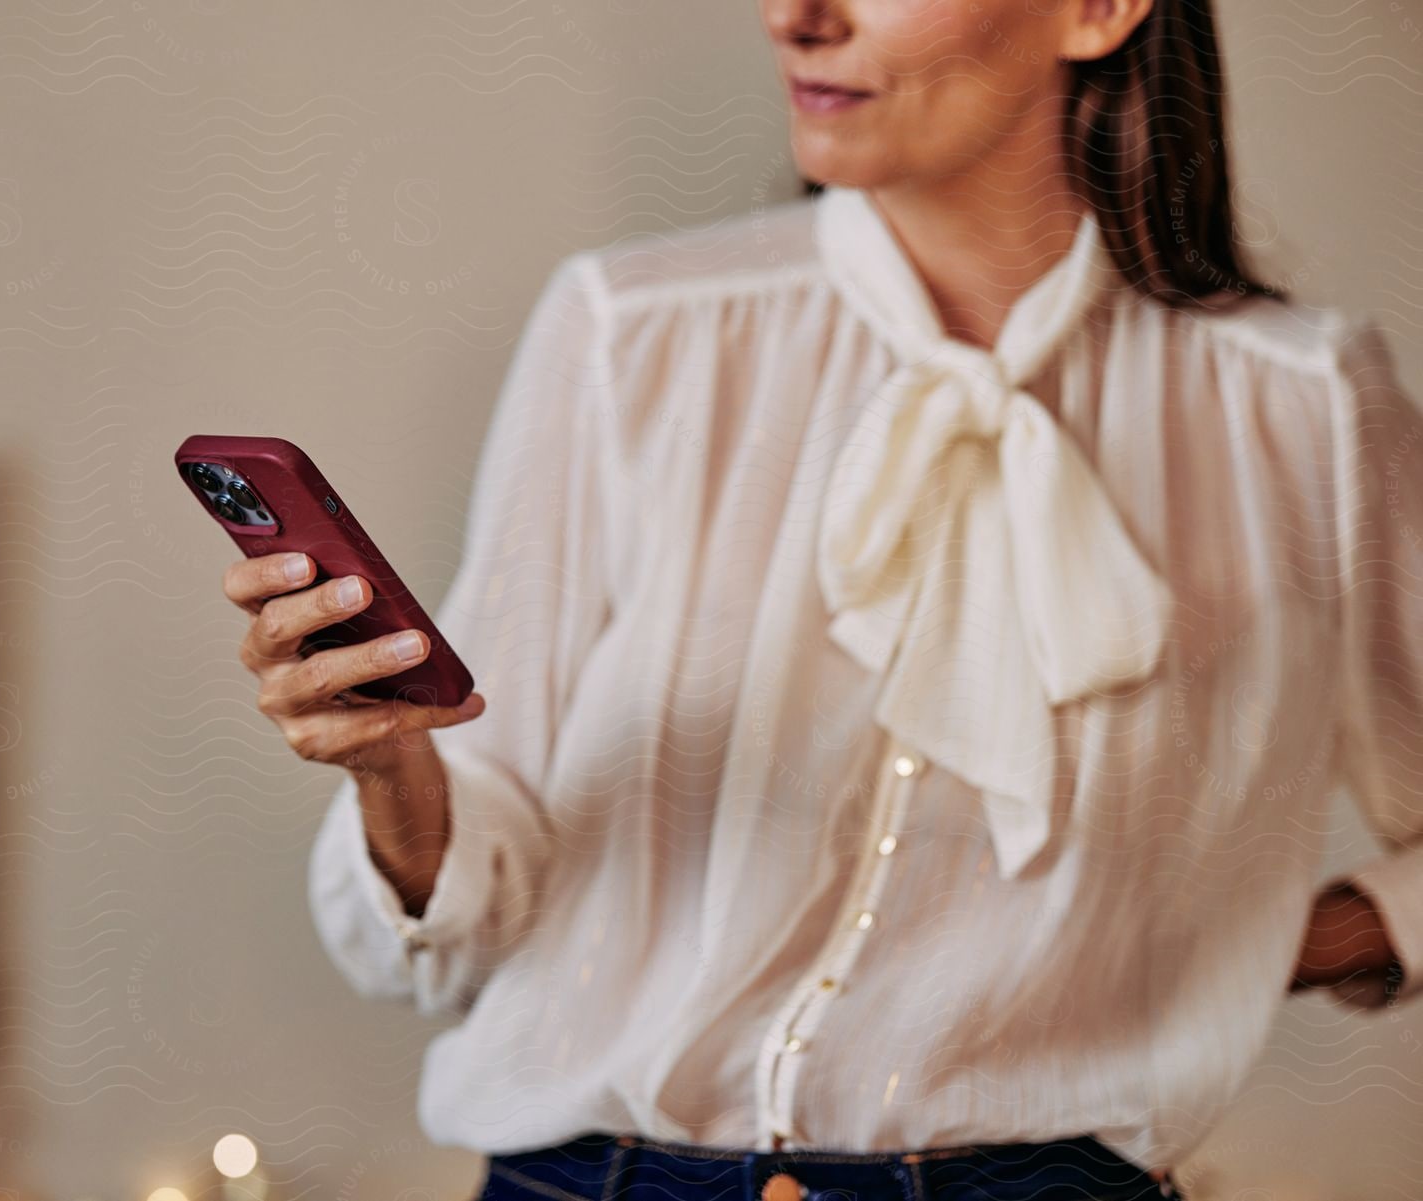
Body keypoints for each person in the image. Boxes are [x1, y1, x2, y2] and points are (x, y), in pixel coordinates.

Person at [224, 0, 1423, 1198]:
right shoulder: (630, 337)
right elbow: (465, 919)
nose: (795, 18)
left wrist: (1252, 945)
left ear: (1098, 10)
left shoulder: (1304, 405)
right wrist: (391, 769)